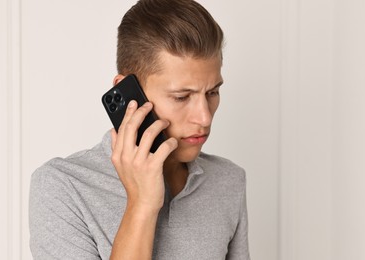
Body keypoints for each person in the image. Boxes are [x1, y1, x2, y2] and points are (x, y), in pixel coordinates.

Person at [29, 0, 250, 259]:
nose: (204, 117)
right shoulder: (63, 186)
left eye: (212, 92)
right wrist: (142, 204)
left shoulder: (228, 181)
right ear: (127, 93)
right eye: (181, 97)